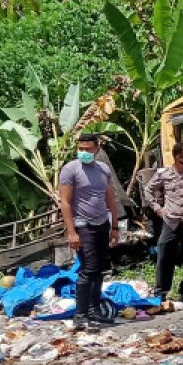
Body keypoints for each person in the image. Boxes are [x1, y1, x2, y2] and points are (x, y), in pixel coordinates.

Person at [58, 133, 120, 328]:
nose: (83, 152)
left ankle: (94, 309)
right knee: (88, 269)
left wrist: (115, 226)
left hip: (102, 223)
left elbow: (110, 199)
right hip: (82, 224)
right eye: (80, 149)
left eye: (88, 149)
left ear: (97, 149)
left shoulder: (103, 169)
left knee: (99, 268)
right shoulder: (70, 169)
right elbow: (65, 203)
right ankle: (81, 313)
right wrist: (71, 231)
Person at [143, 141, 183, 305]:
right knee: (164, 253)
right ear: (177, 157)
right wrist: (158, 209)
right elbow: (148, 190)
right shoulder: (165, 174)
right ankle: (161, 290)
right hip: (171, 221)